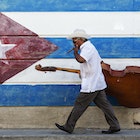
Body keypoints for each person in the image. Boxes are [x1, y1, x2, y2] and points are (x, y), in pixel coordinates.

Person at [55, 29, 120, 134]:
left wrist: (76, 53)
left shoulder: (87, 48)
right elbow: (100, 62)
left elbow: (81, 60)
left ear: (81, 39)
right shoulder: (90, 47)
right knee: (105, 105)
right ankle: (115, 125)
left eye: (75, 40)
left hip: (91, 84)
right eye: (73, 40)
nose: (74, 42)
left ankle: (69, 126)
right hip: (97, 82)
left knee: (80, 104)